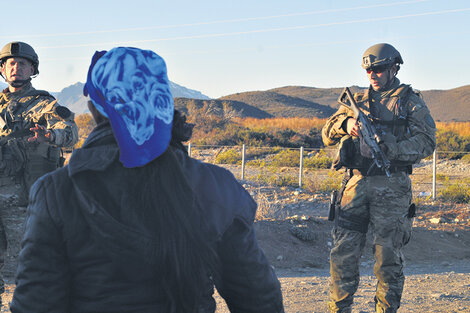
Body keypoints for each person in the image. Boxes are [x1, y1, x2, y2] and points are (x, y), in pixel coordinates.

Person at [10, 47, 284, 313]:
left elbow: (35, 303)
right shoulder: (216, 185)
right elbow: (258, 299)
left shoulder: (56, 191)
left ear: (94, 108)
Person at [322, 43, 436, 313]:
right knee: (343, 256)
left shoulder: (409, 101)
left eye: (379, 69)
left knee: (388, 259)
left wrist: (391, 146)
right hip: (355, 186)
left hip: (392, 186)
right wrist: (347, 125)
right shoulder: (356, 102)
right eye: (369, 70)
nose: (373, 74)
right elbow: (327, 133)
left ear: (394, 67)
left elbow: (427, 142)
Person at [0, 41, 78, 301]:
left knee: (31, 265)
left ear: (32, 69)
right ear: (2, 69)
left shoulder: (43, 104)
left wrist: (49, 135)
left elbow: (70, 133)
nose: (16, 67)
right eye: (10, 63)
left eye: (22, 63)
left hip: (24, 199)